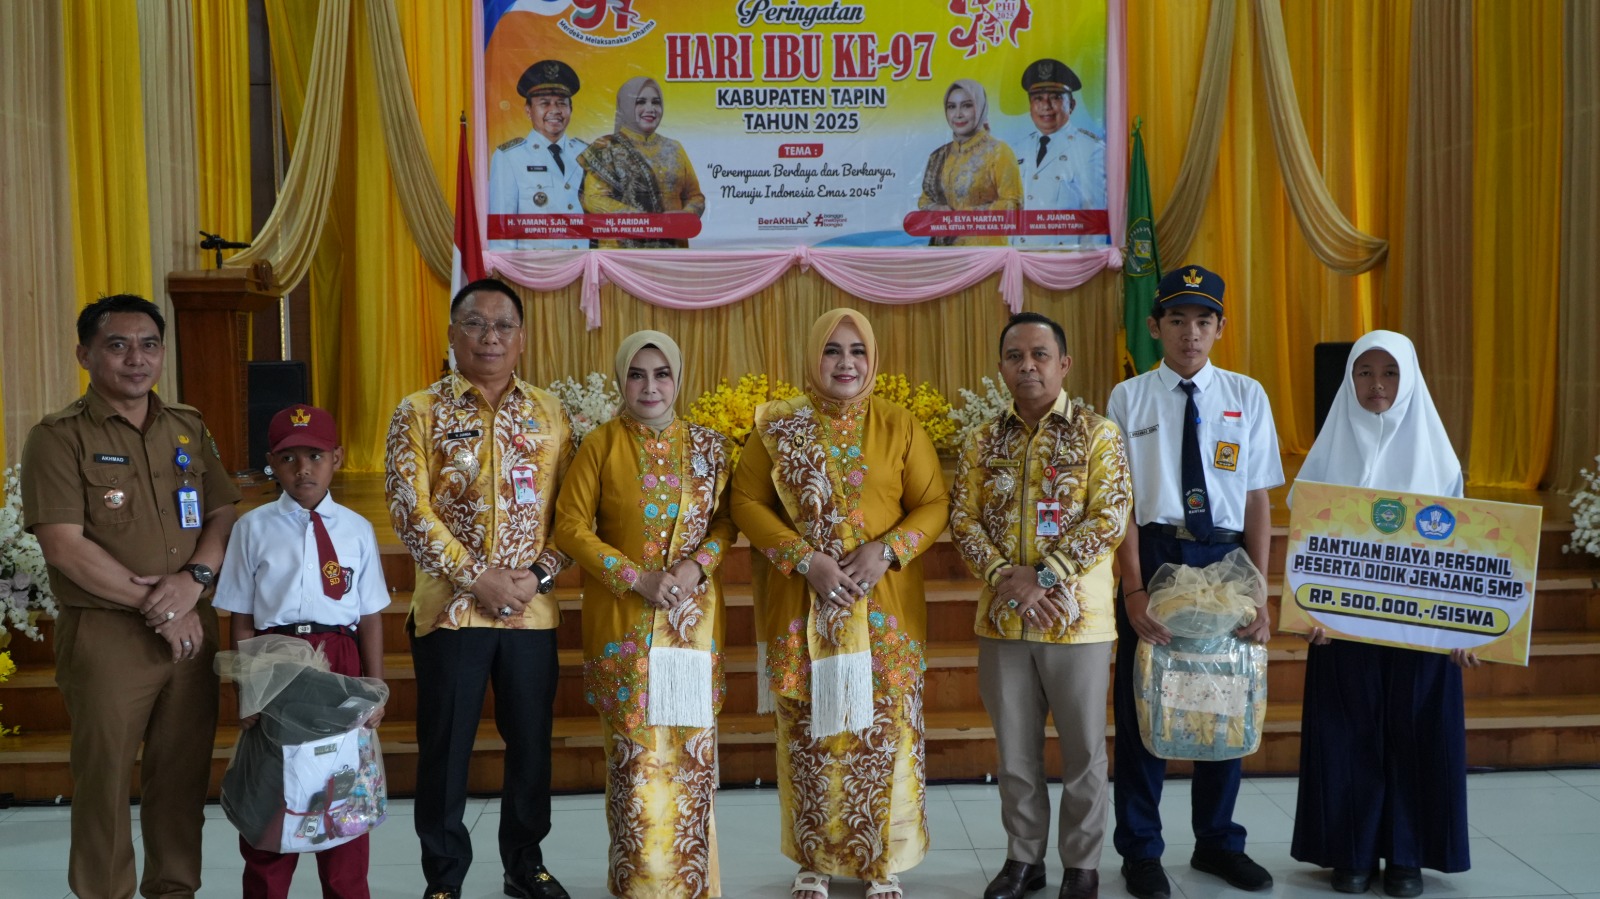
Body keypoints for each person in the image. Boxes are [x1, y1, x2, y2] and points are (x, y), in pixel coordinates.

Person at [21, 294, 241, 899]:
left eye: (149, 345)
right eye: (117, 345)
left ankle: (174, 889)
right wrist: (164, 608)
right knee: (105, 783)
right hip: (108, 635)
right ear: (85, 355)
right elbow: (64, 546)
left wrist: (194, 579)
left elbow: (222, 512)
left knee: (182, 779)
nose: (136, 359)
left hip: (191, 628)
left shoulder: (186, 425)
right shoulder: (58, 437)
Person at [731, 309, 950, 899]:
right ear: (813, 357)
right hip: (803, 607)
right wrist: (806, 559)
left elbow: (933, 503)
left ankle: (882, 860)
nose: (845, 363)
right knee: (809, 736)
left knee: (883, 733)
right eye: (832, 350)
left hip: (884, 609)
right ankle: (814, 858)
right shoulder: (778, 427)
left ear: (872, 359)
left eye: (857, 351)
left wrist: (888, 550)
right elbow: (745, 501)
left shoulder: (899, 424)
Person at [385, 277, 575, 899]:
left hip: (531, 611)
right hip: (451, 613)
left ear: (521, 338)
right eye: (475, 323)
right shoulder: (419, 410)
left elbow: (575, 513)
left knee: (531, 748)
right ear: (452, 333)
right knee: (445, 750)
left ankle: (526, 864)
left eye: (503, 326)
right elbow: (409, 510)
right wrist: (477, 578)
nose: (489, 337)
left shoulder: (551, 413)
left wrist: (537, 576)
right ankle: (444, 878)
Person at [1105, 266, 1282, 899]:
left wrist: (1260, 589)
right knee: (1144, 704)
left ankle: (1217, 842)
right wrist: (1132, 589)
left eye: (1203, 321)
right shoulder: (1128, 398)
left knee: (1223, 701)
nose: (1190, 333)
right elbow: (1121, 505)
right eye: (1177, 320)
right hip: (1155, 553)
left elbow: (1256, 498)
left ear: (1220, 328)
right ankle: (1141, 851)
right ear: (1155, 327)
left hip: (1225, 557)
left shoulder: (1246, 394)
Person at [951, 312, 1131, 899]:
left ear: (1064, 364)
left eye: (1039, 355)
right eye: (1015, 356)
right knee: (1015, 754)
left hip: (1078, 622)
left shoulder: (1098, 434)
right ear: (1002, 366)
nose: (1027, 366)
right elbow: (963, 520)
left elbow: (1110, 518)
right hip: (1003, 621)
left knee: (1084, 754)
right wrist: (1008, 580)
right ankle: (1023, 859)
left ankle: (1082, 866)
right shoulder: (982, 438)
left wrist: (1045, 578)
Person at [1290, 330, 1475, 897]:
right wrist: (1307, 610)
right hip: (1342, 629)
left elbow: (1463, 553)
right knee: (1346, 733)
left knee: (1417, 734)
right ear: (1349, 379)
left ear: (1410, 379)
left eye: (1390, 373)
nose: (1377, 385)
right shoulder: (1327, 453)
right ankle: (1350, 851)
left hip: (1421, 630)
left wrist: (1465, 628)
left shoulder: (1438, 457)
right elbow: (1307, 546)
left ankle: (1407, 856)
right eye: (1365, 372)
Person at [553, 330, 736, 898]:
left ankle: (693, 884)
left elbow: (726, 522)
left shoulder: (709, 447)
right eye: (637, 374)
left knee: (691, 761)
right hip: (624, 628)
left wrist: (697, 565)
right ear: (621, 381)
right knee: (634, 768)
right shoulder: (600, 445)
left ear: (678, 379)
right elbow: (570, 527)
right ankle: (637, 887)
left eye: (662, 374)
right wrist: (636, 577)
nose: (650, 386)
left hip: (690, 627)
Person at [213, 403, 390, 899]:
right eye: (289, 458)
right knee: (275, 791)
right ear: (272, 462)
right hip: (277, 663)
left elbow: (370, 615)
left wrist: (375, 686)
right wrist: (247, 690)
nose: (303, 469)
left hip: (340, 660)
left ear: (337, 458)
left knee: (341, 794)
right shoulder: (252, 528)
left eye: (315, 456)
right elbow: (242, 616)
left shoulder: (356, 529)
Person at [578, 76, 706, 248]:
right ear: (626, 106)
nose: (650, 109)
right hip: (622, 253)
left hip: (672, 248)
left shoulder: (674, 148)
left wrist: (686, 215)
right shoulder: (606, 147)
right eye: (640, 102)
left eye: (656, 102)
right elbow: (593, 199)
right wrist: (646, 222)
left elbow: (694, 196)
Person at [488, 59, 588, 251]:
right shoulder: (509, 157)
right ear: (528, 111)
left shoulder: (586, 153)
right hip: (535, 266)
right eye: (545, 103)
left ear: (571, 109)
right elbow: (502, 229)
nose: (555, 111)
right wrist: (505, 267)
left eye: (561, 103)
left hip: (584, 263)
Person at [1010, 59, 1108, 249]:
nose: (1045, 106)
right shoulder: (1017, 149)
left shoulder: (1090, 149)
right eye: (1038, 98)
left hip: (1063, 259)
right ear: (1030, 106)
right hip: (1019, 257)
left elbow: (1094, 217)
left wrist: (1089, 262)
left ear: (1071, 104)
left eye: (1055, 98)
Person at [917, 79, 1022, 246]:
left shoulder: (998, 152)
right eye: (952, 107)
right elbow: (925, 200)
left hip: (986, 253)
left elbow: (1014, 205)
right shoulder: (939, 156)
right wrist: (936, 208)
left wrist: (963, 217)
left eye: (966, 106)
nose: (958, 114)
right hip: (945, 253)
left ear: (980, 108)